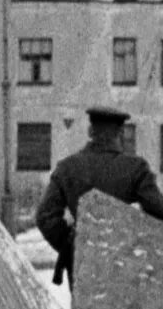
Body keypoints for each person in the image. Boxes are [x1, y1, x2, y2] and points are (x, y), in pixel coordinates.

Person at [36, 105, 163, 287]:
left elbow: (44, 217)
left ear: (90, 131)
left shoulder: (66, 167)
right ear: (120, 133)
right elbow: (157, 210)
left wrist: (74, 245)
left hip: (82, 262)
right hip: (124, 262)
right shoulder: (136, 168)